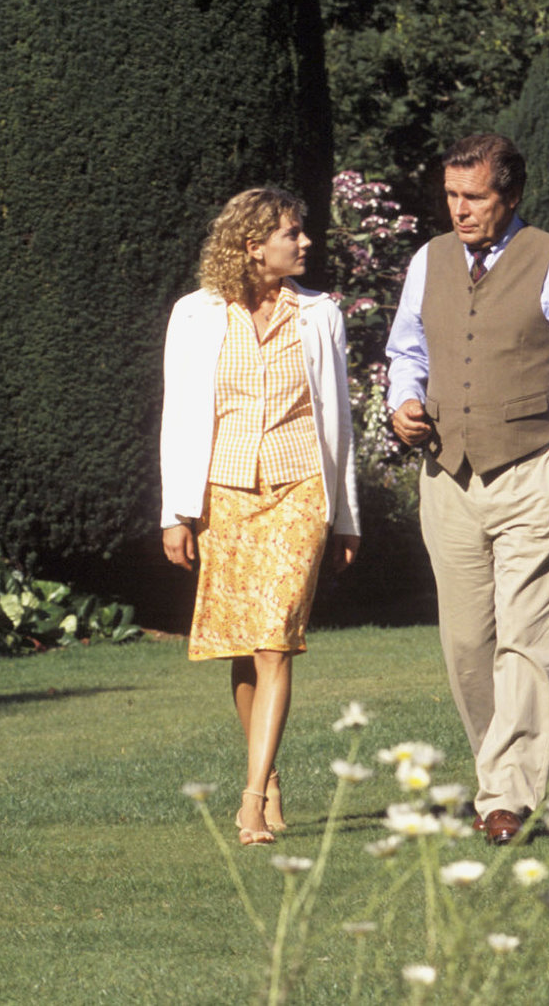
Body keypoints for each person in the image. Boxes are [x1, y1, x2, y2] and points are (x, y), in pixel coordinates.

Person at [386, 134, 549, 845]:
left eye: (475, 197)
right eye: (451, 196)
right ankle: (498, 776)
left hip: (531, 474)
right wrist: (402, 402)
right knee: (466, 644)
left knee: (526, 642)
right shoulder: (428, 261)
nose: (460, 210)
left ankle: (505, 796)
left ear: (510, 196)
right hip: (447, 477)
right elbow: (406, 350)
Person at [160, 187, 360, 846]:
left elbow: (340, 421)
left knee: (276, 640)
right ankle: (267, 772)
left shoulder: (320, 314)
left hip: (300, 489)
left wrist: (347, 516)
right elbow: (178, 416)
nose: (305, 242)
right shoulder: (196, 315)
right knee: (245, 644)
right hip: (226, 494)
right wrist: (175, 512)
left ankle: (249, 802)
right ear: (252, 246)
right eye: (291, 233)